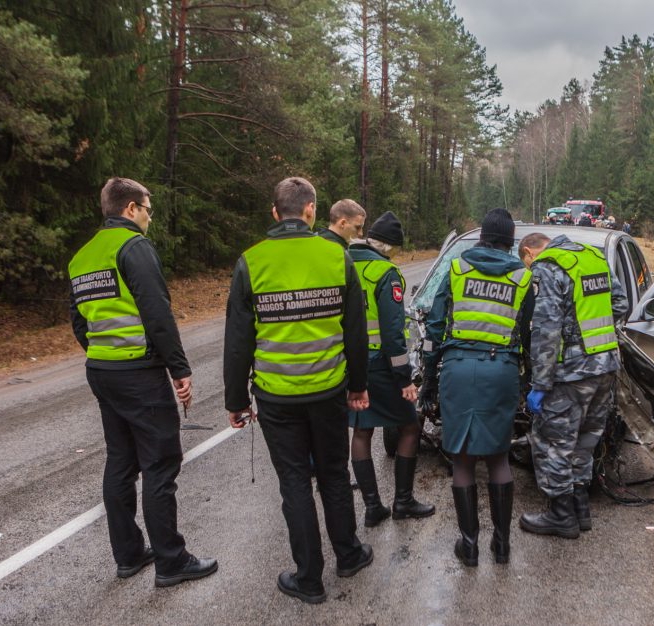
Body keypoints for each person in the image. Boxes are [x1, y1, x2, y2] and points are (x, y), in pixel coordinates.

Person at [223, 176, 373, 604]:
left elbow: (238, 341)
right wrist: (358, 386)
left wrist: (236, 400)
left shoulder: (251, 261)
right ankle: (349, 554)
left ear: (275, 213)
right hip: (328, 390)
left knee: (294, 483)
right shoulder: (336, 256)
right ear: (311, 210)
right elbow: (355, 331)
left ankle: (309, 579)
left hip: (276, 397)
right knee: (333, 475)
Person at [68, 177, 217, 587]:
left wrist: (103, 350)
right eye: (148, 208)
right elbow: (157, 312)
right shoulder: (133, 247)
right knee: (159, 464)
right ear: (131, 208)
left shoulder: (82, 257)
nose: (150, 216)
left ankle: (129, 555)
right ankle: (172, 561)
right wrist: (179, 369)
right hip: (139, 372)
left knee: (120, 460)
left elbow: (79, 320)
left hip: (102, 370)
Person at [421, 209, 533, 567]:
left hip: (457, 368)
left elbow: (434, 327)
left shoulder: (457, 270)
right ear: (511, 241)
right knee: (498, 456)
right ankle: (502, 546)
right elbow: (529, 332)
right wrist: (529, 379)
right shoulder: (522, 276)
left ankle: (469, 545)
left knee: (463, 458)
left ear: (483, 236)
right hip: (501, 370)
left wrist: (427, 379)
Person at [516, 231, 628, 539]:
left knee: (552, 443)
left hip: (570, 374)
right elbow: (620, 304)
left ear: (529, 253)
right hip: (605, 367)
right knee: (585, 440)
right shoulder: (593, 257)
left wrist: (539, 382)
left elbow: (546, 331)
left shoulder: (548, 267)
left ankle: (560, 515)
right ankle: (581, 510)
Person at [348, 211, 435, 528]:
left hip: (349, 364)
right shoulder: (386, 273)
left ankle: (372, 507)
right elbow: (393, 334)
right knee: (410, 426)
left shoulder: (343, 264)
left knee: (361, 430)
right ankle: (403, 501)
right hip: (380, 365)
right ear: (390, 247)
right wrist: (404, 380)